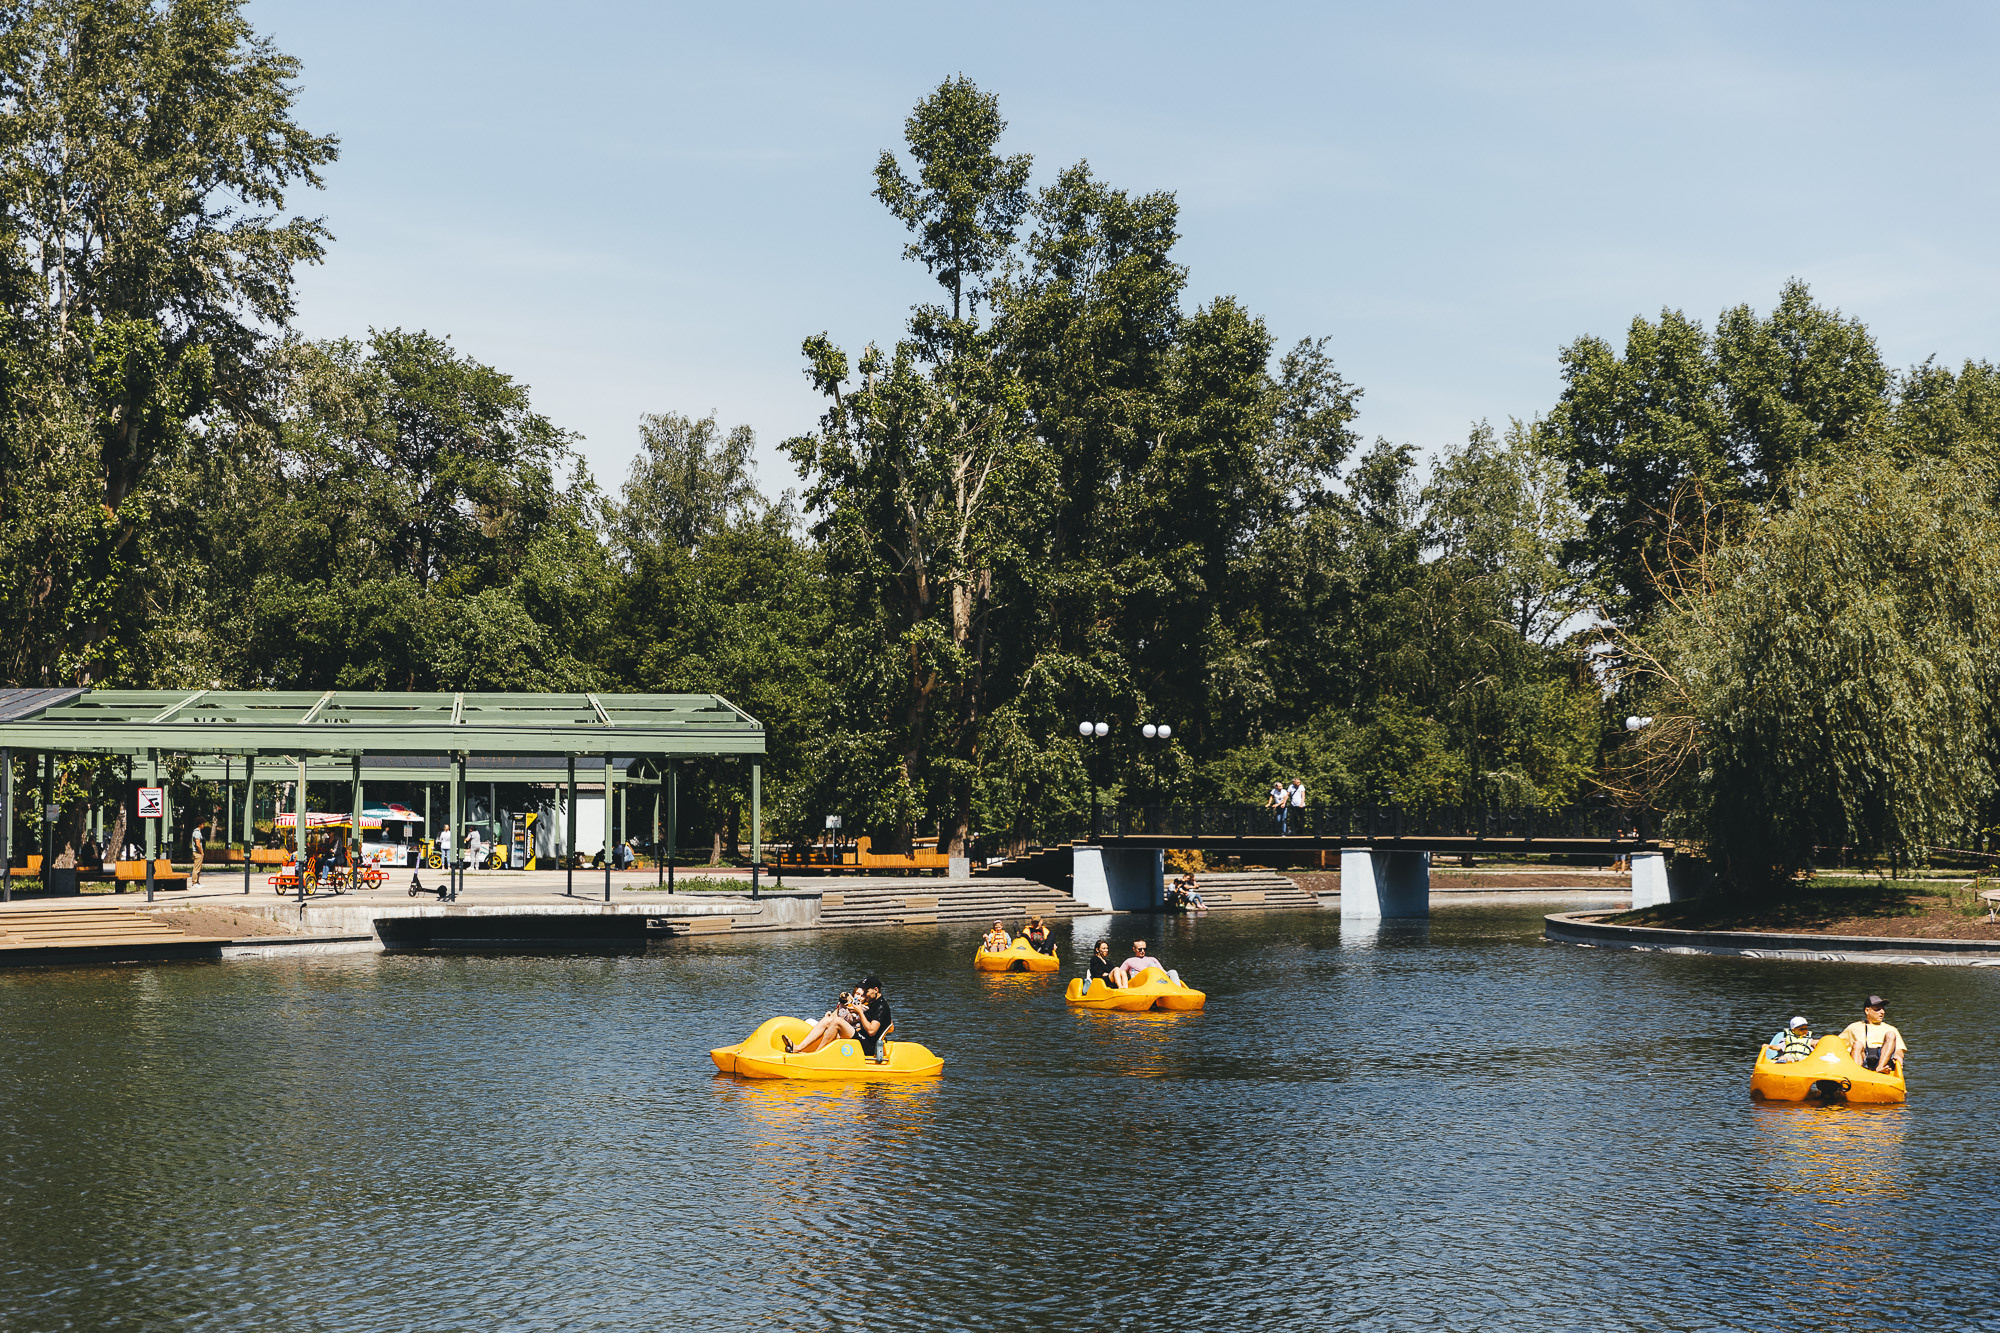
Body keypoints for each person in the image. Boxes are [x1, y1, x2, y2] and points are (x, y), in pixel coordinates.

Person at [1841, 996, 1907, 1074]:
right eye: (1877, 1009)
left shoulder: (1891, 1029)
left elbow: (1899, 1050)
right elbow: (1837, 1044)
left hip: (1884, 1061)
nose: (1882, 1012)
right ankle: (1856, 1073)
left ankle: (1880, 1068)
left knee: (1890, 1035)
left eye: (1883, 1009)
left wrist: (1899, 1056)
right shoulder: (1853, 1027)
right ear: (1867, 1011)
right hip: (1862, 1060)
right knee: (1857, 1044)